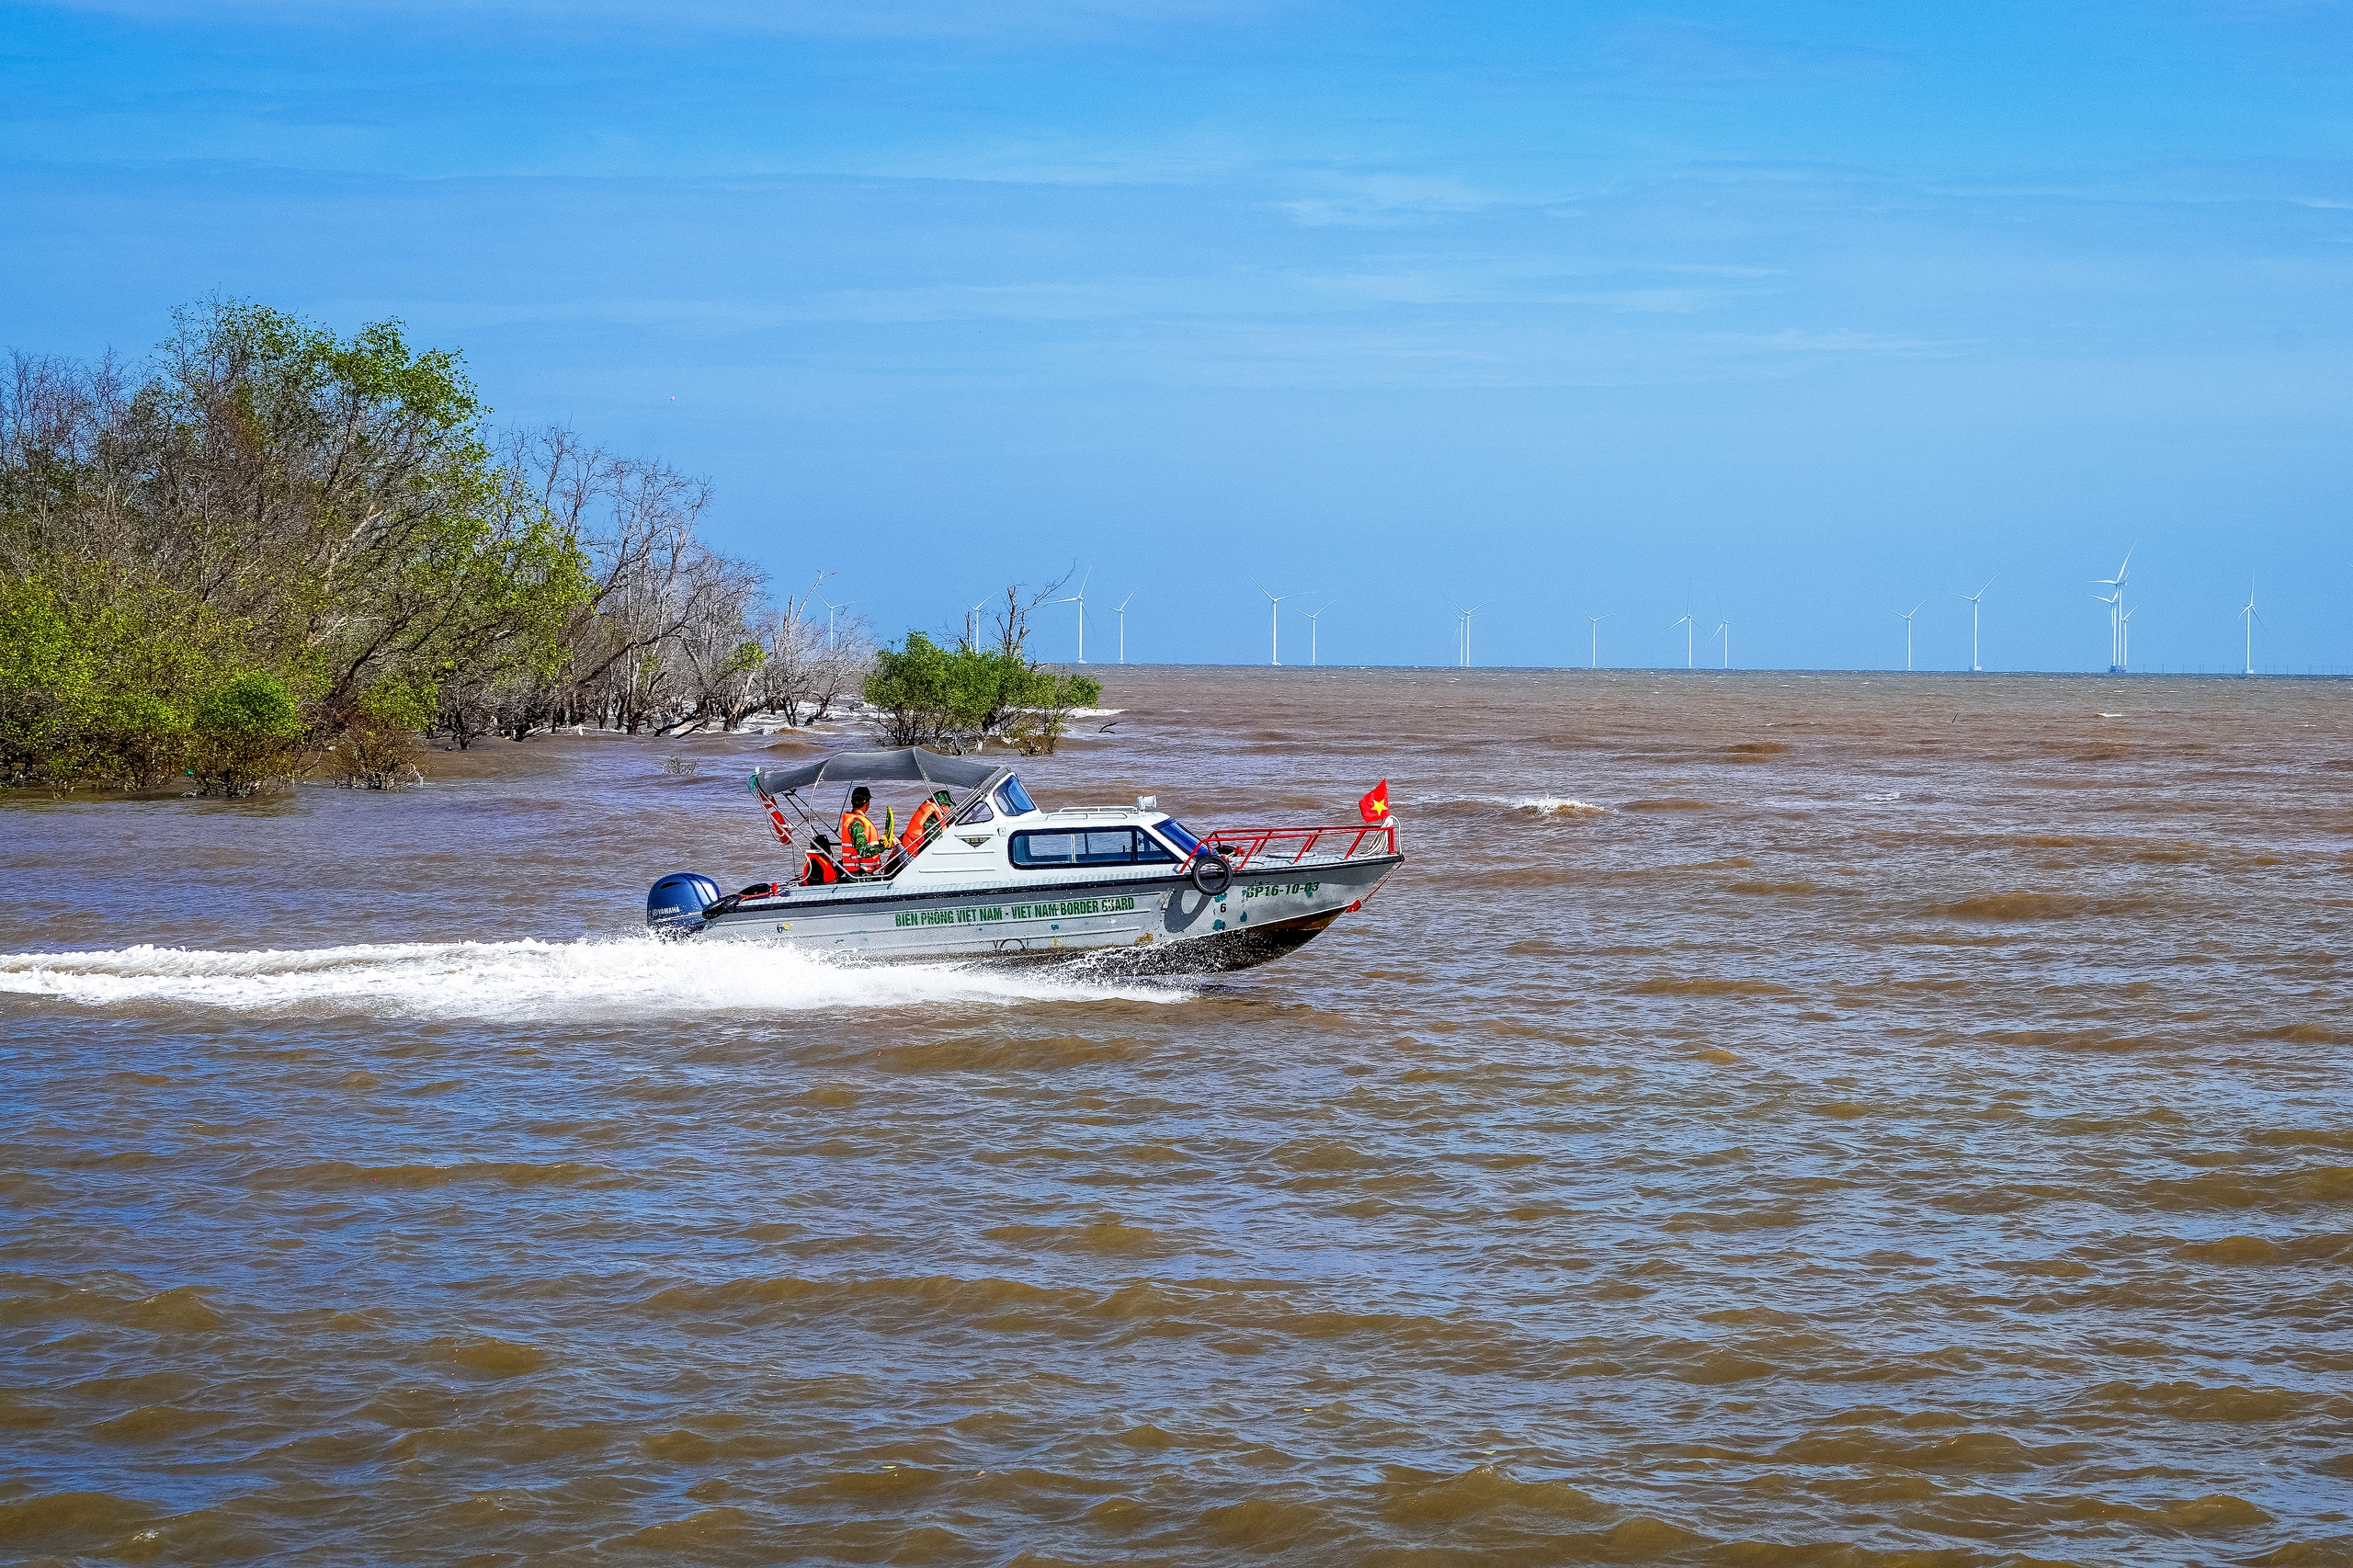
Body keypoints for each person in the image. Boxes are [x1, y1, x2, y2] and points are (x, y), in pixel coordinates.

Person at [838, 786, 889, 875]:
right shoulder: (857, 823)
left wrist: (884, 843)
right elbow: (863, 851)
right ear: (867, 803)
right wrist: (883, 846)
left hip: (861, 872)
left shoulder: (854, 820)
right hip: (861, 875)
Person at [900, 789, 953, 854]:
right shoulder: (931, 823)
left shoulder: (931, 816)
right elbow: (937, 842)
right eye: (949, 807)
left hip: (907, 846)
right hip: (914, 853)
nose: (949, 809)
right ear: (943, 806)